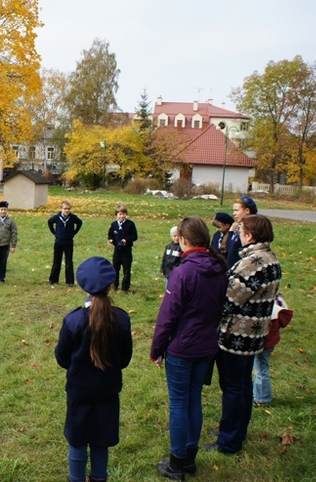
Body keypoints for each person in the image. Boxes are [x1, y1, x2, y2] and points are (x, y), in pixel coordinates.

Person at [150, 217, 228, 480]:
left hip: (184, 348)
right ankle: (188, 459)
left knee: (180, 404)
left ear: (184, 240)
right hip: (206, 346)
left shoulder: (183, 273)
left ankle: (178, 462)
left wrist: (157, 349)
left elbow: (167, 316)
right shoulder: (219, 268)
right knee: (193, 400)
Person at [207, 214, 282, 454]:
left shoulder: (253, 262)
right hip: (254, 335)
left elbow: (229, 299)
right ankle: (235, 430)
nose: (238, 234)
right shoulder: (270, 258)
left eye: (241, 231)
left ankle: (229, 441)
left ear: (249, 235)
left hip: (237, 337)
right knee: (241, 386)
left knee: (233, 388)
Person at [55, 257, 133, 482]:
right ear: (111, 286)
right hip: (107, 391)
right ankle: (99, 477)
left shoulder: (74, 321)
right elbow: (124, 359)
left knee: (78, 439)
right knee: (101, 439)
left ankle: (76, 478)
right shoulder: (121, 320)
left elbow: (62, 357)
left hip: (80, 391)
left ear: (82, 287)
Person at [253, 295, 293, 407]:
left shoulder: (264, 308)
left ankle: (263, 398)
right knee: (259, 367)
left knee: (261, 369)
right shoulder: (276, 303)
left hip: (263, 344)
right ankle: (257, 392)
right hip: (270, 343)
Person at [47, 201, 83, 286]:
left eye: (68, 209)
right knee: (56, 261)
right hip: (59, 242)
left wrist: (74, 232)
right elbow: (50, 222)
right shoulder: (57, 217)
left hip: (68, 242)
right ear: (61, 209)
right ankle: (53, 279)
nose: (66, 211)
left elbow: (79, 223)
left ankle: (70, 281)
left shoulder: (73, 218)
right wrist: (55, 233)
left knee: (69, 262)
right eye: (65, 209)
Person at [107, 205, 138, 293]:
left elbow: (134, 236)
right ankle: (114, 285)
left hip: (127, 250)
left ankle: (125, 287)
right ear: (116, 215)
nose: (122, 216)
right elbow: (110, 235)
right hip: (117, 250)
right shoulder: (113, 225)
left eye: (123, 214)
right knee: (115, 268)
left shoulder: (130, 224)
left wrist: (126, 240)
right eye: (120, 214)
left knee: (127, 269)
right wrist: (110, 240)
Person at [226, 195, 257, 268]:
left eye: (237, 210)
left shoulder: (251, 231)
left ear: (247, 211)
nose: (234, 214)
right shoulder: (238, 228)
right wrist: (231, 232)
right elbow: (230, 248)